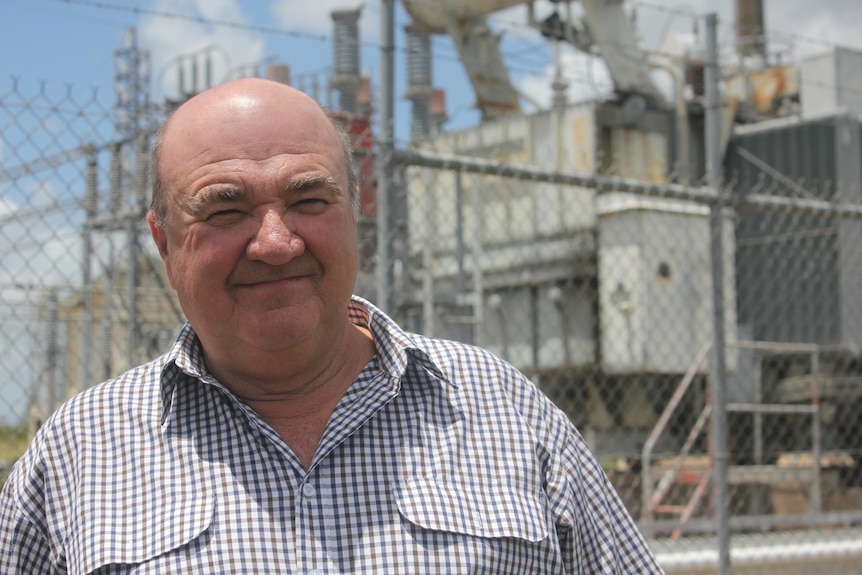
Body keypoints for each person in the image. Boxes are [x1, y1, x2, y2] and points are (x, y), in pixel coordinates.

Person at [0, 78, 664, 574]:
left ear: (353, 218)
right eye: (226, 208)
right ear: (165, 241)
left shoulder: (502, 408)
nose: (276, 242)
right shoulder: (79, 452)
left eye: (308, 199)